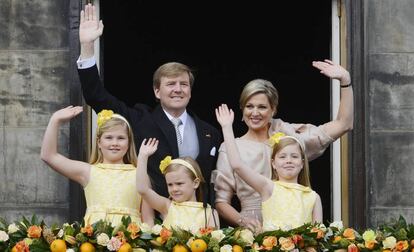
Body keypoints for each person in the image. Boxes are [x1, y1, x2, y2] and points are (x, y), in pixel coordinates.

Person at [76, 4, 222, 207]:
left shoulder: (210, 132)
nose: (178, 89)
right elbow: (96, 96)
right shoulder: (139, 120)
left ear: (190, 90)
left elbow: (211, 186)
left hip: (197, 224)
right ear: (156, 91)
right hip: (151, 222)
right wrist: (87, 46)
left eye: (183, 84)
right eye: (171, 84)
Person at [213, 60, 353, 231]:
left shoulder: (289, 141)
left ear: (273, 110)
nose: (255, 113)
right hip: (253, 229)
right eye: (249, 106)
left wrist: (345, 81)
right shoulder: (230, 147)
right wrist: (243, 221)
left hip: (293, 228)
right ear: (242, 110)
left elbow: (343, 124)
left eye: (262, 107)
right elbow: (221, 202)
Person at [40, 106, 153, 226]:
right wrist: (55, 119)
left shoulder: (140, 175)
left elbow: (148, 220)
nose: (114, 143)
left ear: (129, 143)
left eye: (121, 138)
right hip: (95, 241)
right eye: (108, 138)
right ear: (99, 142)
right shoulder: (88, 171)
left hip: (130, 242)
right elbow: (48, 155)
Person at [216, 104, 322, 231]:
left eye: (294, 156)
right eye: (282, 157)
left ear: (302, 163)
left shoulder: (313, 197)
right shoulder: (268, 187)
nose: (288, 160)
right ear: (273, 164)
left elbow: (317, 236)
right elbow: (237, 165)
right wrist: (227, 127)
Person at [136, 138, 219, 232]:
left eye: (179, 183)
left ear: (195, 183)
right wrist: (143, 156)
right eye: (170, 185)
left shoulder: (209, 212)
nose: (174, 189)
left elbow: (212, 242)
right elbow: (143, 190)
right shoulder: (167, 206)